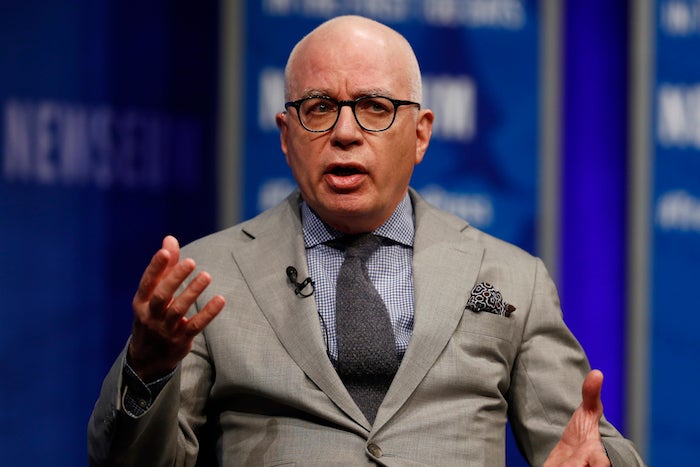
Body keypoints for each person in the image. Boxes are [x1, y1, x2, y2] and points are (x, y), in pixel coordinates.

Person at [88, 15, 644, 466]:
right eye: (319, 107)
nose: (346, 132)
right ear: (286, 136)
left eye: (375, 107)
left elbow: (581, 441)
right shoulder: (209, 276)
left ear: (421, 134)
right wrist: (148, 370)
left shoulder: (509, 277)